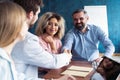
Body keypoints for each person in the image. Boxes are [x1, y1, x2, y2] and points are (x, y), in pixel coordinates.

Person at [11, 0, 72, 79]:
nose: (53, 27)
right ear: (31, 15)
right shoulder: (29, 40)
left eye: (56, 25)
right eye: (38, 14)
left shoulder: (12, 35)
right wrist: (67, 56)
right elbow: (52, 62)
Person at [0, 1, 28, 80]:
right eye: (25, 21)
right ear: (14, 25)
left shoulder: (5, 56)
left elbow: (17, 77)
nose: (27, 25)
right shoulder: (1, 62)